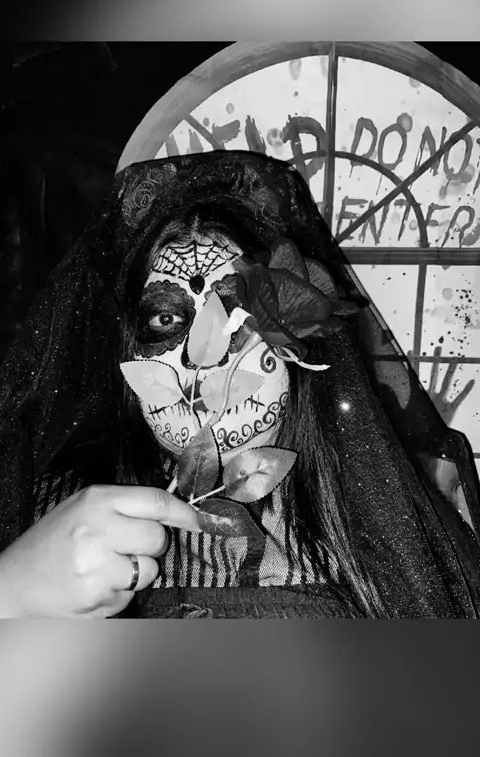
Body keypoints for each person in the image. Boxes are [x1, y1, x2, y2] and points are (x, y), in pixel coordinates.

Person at [0, 150, 480, 619]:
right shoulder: (51, 521)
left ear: (294, 345)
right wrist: (15, 592)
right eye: (165, 319)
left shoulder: (381, 524)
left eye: (237, 313)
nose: (202, 359)